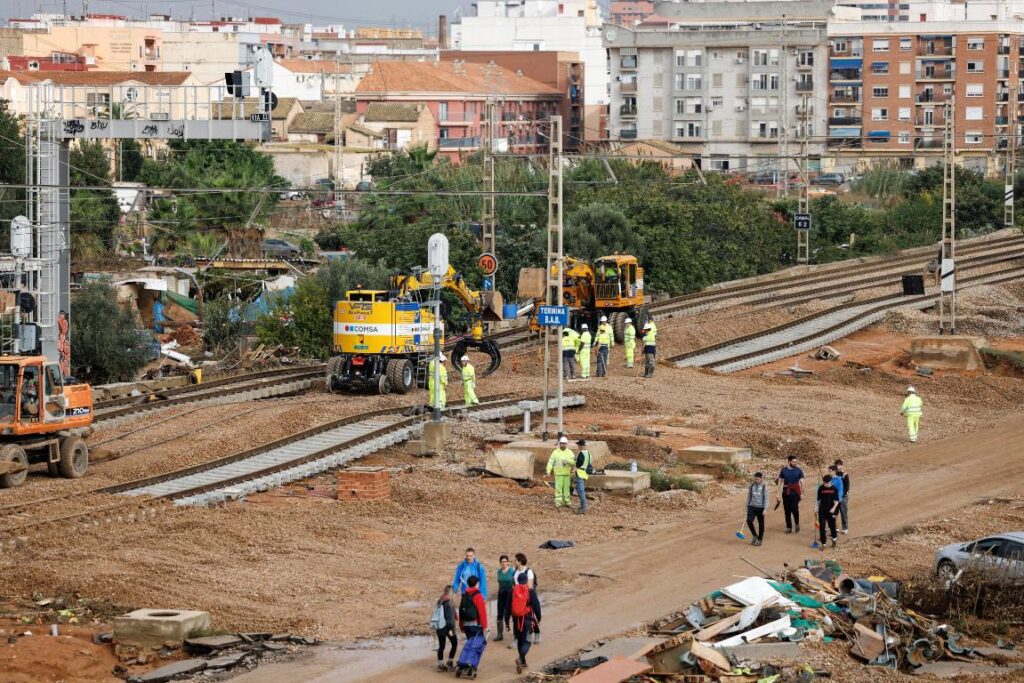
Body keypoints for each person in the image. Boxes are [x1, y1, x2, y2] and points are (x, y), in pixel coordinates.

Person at [455, 575, 489, 678]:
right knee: (477, 644)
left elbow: (461, 610)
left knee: (469, 643)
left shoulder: (465, 595)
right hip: (476, 625)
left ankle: (462, 663)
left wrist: (461, 625)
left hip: (466, 624)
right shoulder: (478, 595)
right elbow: (482, 612)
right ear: (477, 584)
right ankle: (471, 664)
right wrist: (484, 626)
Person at [510, 573, 542, 674]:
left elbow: (507, 606)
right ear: (526, 580)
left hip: (516, 620)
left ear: (518, 580)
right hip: (527, 619)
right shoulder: (530, 591)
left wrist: (506, 620)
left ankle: (523, 662)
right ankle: (520, 658)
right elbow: (536, 605)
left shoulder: (513, 591)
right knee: (527, 641)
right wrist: (539, 617)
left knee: (520, 640)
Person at [777, 455, 804, 534]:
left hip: (796, 493)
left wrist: (802, 493)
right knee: (787, 510)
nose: (795, 463)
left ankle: (796, 524)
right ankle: (789, 527)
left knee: (794, 508)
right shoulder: (783, 470)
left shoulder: (799, 470)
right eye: (793, 462)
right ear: (789, 461)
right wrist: (777, 493)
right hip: (786, 492)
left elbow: (802, 482)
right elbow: (780, 481)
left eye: (796, 462)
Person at [433, 586, 458, 671]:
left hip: (439, 627)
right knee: (454, 643)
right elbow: (450, 618)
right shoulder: (449, 603)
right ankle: (450, 662)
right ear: (450, 593)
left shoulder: (440, 600)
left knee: (442, 646)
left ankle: (440, 664)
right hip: (447, 628)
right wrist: (451, 629)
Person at [546, 436, 575, 508]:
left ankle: (567, 502)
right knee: (558, 489)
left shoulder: (570, 452)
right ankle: (558, 502)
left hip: (567, 474)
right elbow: (550, 462)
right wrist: (548, 471)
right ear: (559, 444)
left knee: (566, 489)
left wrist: (569, 462)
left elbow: (574, 462)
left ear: (566, 444)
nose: (563, 445)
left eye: (564, 444)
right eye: (561, 443)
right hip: (558, 474)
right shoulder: (555, 452)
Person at [816, 474, 841, 550]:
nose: (825, 484)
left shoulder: (834, 489)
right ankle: (823, 544)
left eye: (827, 483)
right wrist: (815, 508)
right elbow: (818, 500)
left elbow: (837, 501)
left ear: (830, 482)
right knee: (822, 527)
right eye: (824, 482)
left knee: (832, 526)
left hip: (831, 510)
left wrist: (833, 508)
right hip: (822, 510)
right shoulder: (821, 488)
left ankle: (834, 539)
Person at [495, 555, 516, 642]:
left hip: (510, 594)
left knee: (513, 613)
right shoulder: (499, 572)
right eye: (502, 562)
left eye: (505, 561)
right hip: (501, 594)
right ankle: (500, 635)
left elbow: (515, 583)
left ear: (508, 562)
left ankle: (516, 634)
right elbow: (499, 583)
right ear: (500, 563)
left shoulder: (512, 571)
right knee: (500, 614)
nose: (503, 563)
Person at [746, 472, 768, 546]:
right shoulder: (752, 485)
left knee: (761, 524)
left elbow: (766, 499)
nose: (756, 480)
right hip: (752, 506)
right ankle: (755, 536)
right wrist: (747, 506)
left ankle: (760, 539)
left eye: (758, 479)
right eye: (755, 479)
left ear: (761, 478)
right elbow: (749, 496)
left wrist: (765, 509)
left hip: (760, 507)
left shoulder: (764, 486)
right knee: (749, 520)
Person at [574, 439, 593, 514]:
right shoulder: (588, 453)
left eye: (578, 445)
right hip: (585, 473)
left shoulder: (581, 453)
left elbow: (578, 464)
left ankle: (583, 507)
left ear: (580, 446)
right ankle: (583, 506)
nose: (578, 446)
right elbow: (589, 463)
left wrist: (574, 462)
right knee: (579, 489)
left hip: (581, 473)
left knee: (580, 490)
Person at [834, 459, 850, 534]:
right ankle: (836, 528)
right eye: (837, 465)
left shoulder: (845, 475)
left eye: (839, 465)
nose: (838, 466)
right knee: (835, 513)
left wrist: (841, 495)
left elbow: (847, 487)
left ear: (842, 465)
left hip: (843, 497)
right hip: (835, 497)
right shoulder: (834, 475)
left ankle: (845, 528)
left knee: (843, 512)